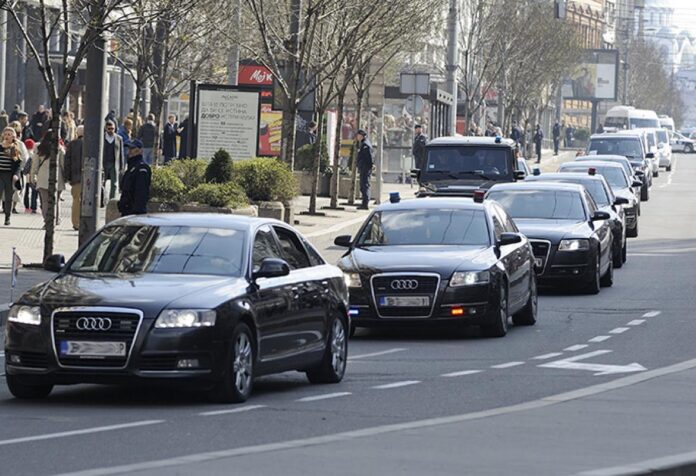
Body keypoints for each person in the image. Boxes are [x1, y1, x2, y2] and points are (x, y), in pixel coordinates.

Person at [30, 129, 65, 227]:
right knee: (56, 201)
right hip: (57, 177)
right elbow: (63, 165)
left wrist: (33, 176)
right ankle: (56, 219)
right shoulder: (60, 148)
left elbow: (35, 164)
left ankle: (47, 221)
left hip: (42, 177)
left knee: (45, 201)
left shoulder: (38, 147)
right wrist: (66, 178)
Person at [118, 139, 151, 216]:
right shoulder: (131, 167)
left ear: (140, 150)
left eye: (132, 149)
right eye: (129, 148)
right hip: (127, 211)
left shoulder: (141, 168)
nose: (129, 151)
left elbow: (141, 192)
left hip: (134, 212)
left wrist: (138, 212)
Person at [0, 127, 22, 225]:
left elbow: (18, 164)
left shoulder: (14, 148)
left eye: (10, 134)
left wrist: (16, 175)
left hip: (9, 175)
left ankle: (7, 217)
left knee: (8, 197)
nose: (7, 136)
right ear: (3, 135)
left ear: (13, 136)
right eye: (6, 134)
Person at [64, 125, 84, 230]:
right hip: (90, 178)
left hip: (76, 177)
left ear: (77, 133)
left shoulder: (72, 144)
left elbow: (67, 161)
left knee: (76, 200)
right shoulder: (92, 143)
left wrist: (67, 177)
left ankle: (76, 223)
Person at [103, 120, 124, 200]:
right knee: (102, 182)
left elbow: (121, 153)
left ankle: (112, 200)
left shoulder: (119, 138)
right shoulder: (102, 138)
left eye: (113, 129)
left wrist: (121, 166)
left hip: (114, 164)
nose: (111, 130)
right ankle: (102, 199)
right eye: (109, 129)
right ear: (106, 129)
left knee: (114, 183)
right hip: (104, 163)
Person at [355, 129, 373, 210]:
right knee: (363, 185)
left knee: (364, 185)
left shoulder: (365, 145)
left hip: (365, 168)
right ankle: (364, 202)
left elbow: (368, 158)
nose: (357, 137)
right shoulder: (364, 143)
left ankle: (365, 203)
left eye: (358, 135)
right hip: (364, 167)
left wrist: (368, 167)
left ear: (361, 136)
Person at [22, 138, 38, 214]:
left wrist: (24, 173)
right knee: (34, 192)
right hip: (34, 176)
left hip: (27, 176)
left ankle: (27, 206)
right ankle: (34, 207)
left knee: (26, 192)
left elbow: (26, 167)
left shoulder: (25, 153)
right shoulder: (34, 154)